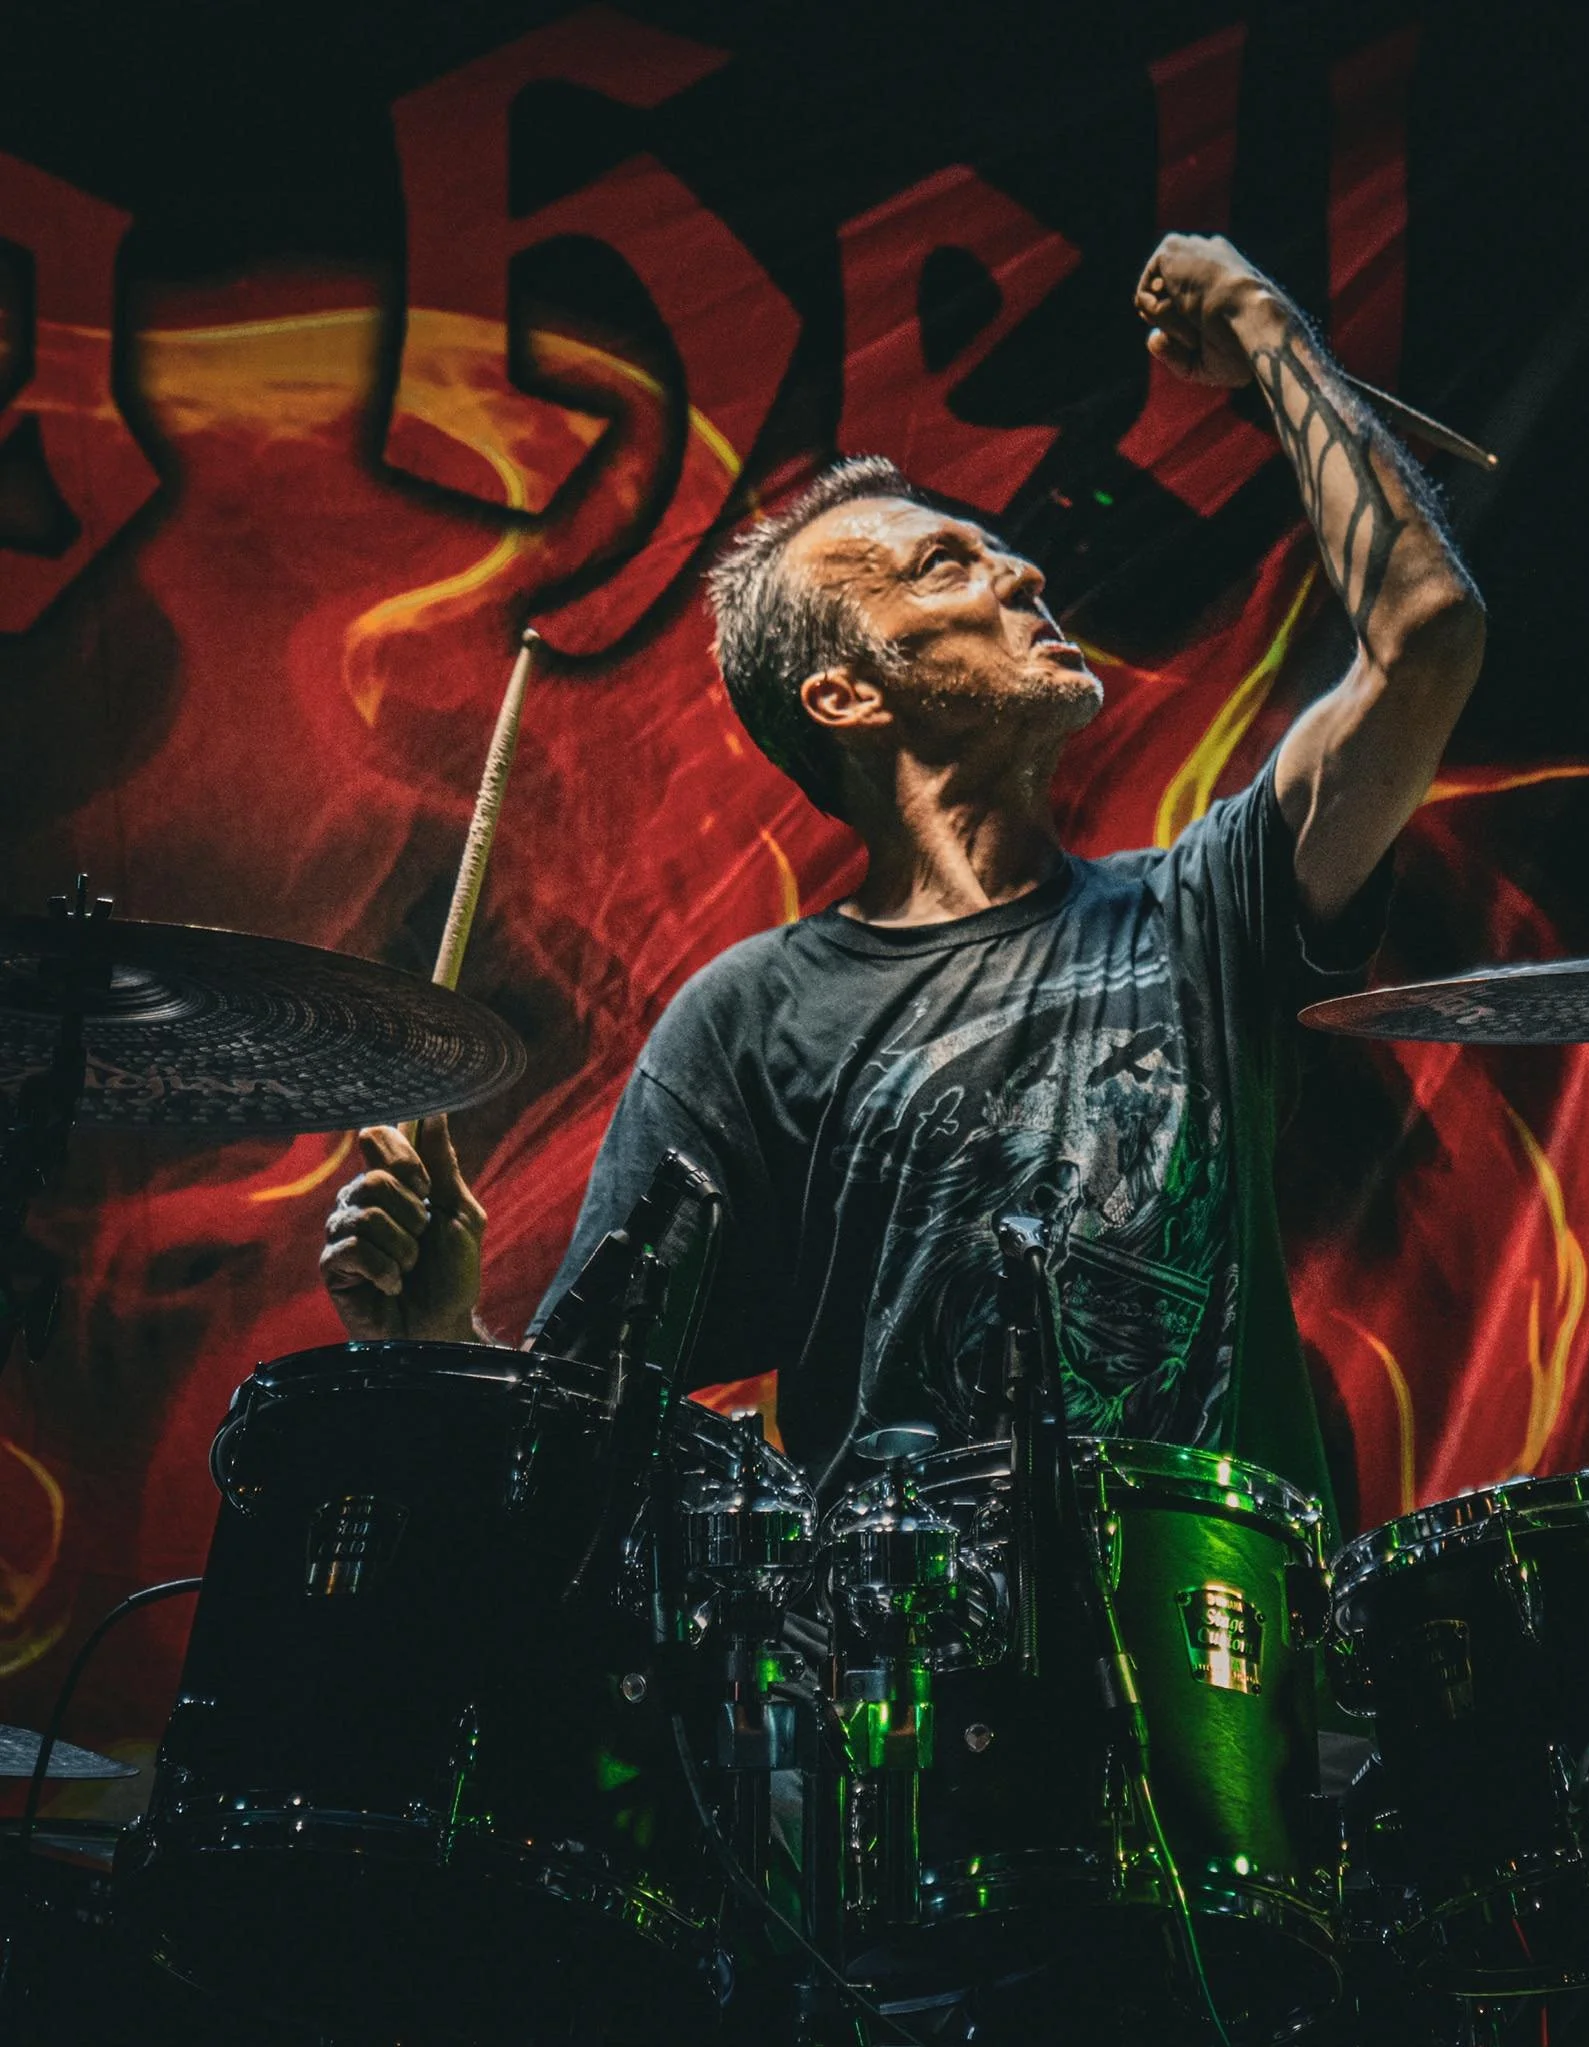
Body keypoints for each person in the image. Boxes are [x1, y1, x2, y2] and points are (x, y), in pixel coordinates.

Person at [318, 233, 1485, 1511]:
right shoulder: (749, 1018)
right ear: (842, 692)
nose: (1022, 570)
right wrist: (439, 1340)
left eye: (995, 553)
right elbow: (577, 1439)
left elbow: (1423, 634)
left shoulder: (1205, 909)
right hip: (889, 1687)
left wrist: (1266, 329)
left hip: (1218, 1661)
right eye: (947, 566)